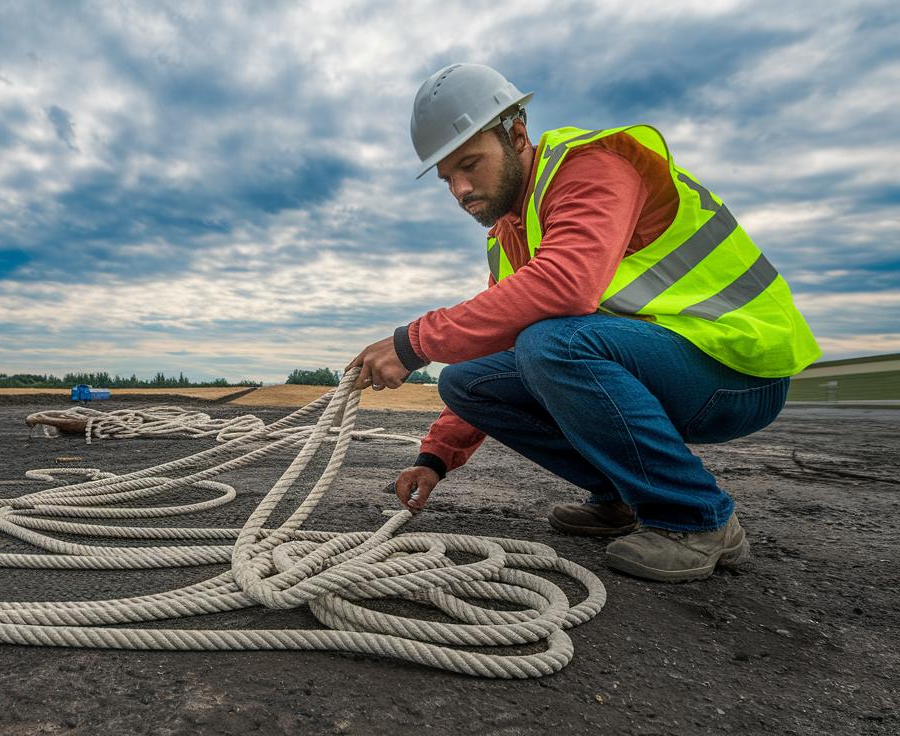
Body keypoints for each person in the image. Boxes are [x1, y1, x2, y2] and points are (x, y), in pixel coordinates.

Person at [349, 63, 820, 583]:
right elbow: (493, 339)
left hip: (736, 367)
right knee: (468, 378)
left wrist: (412, 344)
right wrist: (435, 457)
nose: (460, 189)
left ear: (519, 136)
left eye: (470, 165)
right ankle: (624, 494)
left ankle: (695, 518)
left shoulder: (593, 166)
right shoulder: (510, 232)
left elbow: (565, 284)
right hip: (665, 361)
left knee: (552, 344)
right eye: (447, 178)